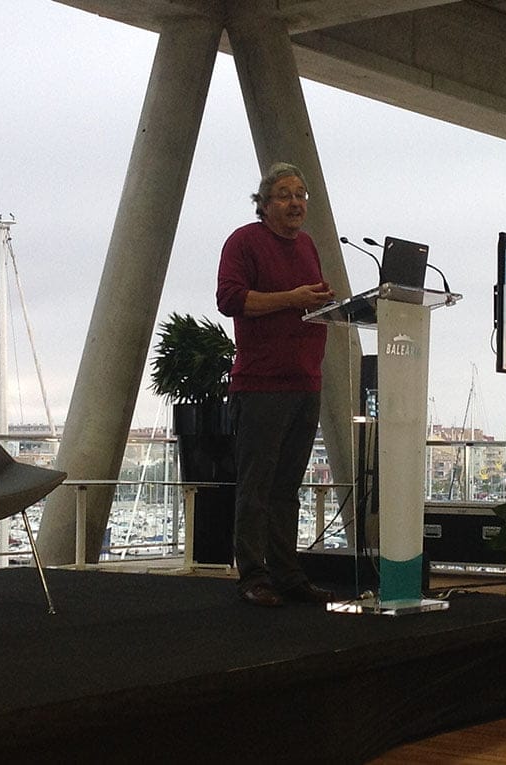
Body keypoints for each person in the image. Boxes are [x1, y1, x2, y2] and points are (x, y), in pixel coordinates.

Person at [216, 162, 337, 607]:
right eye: (285, 195)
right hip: (262, 384)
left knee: (288, 487)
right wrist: (294, 299)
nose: (295, 202)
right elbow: (229, 299)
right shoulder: (244, 242)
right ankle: (253, 576)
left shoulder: (307, 245)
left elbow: (311, 301)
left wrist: (326, 306)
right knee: (257, 487)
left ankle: (288, 573)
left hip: (306, 382)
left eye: (301, 194)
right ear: (264, 204)